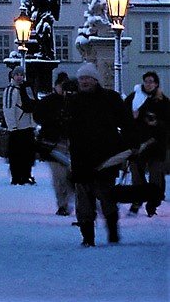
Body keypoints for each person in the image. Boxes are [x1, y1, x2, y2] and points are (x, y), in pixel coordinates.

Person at [66, 62, 135, 246]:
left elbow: (126, 123)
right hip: (81, 158)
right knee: (84, 203)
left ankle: (112, 232)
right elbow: (65, 126)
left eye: (87, 78)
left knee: (106, 198)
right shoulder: (74, 101)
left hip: (106, 158)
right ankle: (88, 238)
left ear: (95, 80)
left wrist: (129, 145)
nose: (84, 81)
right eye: (81, 78)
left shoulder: (110, 98)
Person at [125, 71, 170, 217]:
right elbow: (124, 118)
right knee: (136, 175)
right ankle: (137, 200)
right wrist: (132, 117)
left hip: (156, 144)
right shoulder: (134, 98)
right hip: (137, 144)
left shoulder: (163, 101)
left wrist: (157, 123)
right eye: (146, 81)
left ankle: (152, 205)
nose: (148, 84)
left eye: (151, 81)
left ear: (156, 83)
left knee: (155, 176)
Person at [33, 71, 74, 216]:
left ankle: (69, 201)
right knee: (59, 177)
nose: (63, 89)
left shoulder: (74, 102)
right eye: (61, 86)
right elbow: (37, 117)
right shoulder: (47, 102)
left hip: (70, 144)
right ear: (56, 86)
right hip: (53, 145)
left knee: (71, 177)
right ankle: (62, 204)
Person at [2, 66, 37, 185]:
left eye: (21, 75)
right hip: (18, 128)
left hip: (27, 126)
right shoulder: (10, 90)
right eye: (16, 75)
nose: (19, 77)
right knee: (16, 154)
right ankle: (16, 177)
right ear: (12, 76)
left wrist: (33, 124)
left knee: (28, 154)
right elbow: (8, 109)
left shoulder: (26, 88)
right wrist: (12, 127)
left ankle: (26, 175)